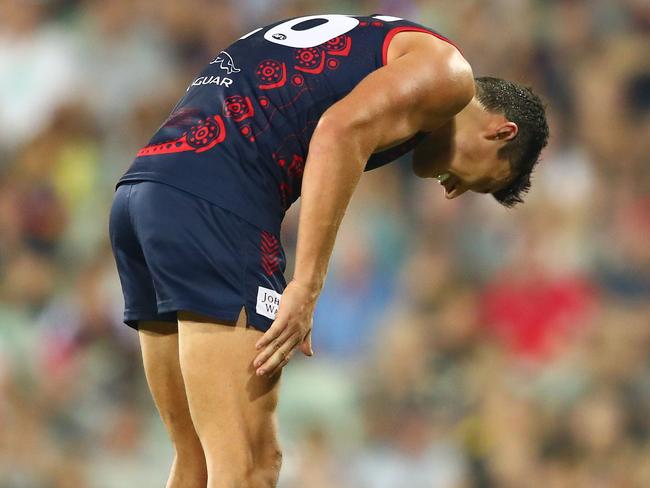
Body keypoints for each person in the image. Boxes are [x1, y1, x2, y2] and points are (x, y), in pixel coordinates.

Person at [108, 13, 548, 488]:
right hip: (214, 206)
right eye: (483, 182)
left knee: (196, 460)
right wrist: (308, 283)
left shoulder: (377, 44)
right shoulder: (448, 74)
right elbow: (339, 131)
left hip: (144, 194)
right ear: (501, 132)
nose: (453, 192)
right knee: (250, 464)